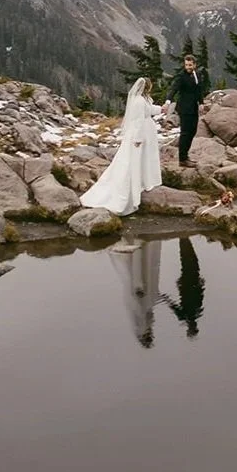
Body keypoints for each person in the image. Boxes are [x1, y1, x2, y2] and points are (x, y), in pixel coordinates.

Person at [80, 77, 162, 216]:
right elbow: (138, 121)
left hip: (144, 134)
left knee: (141, 159)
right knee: (132, 161)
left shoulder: (142, 100)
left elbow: (149, 110)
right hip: (139, 136)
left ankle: (142, 181)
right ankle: (132, 187)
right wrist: (138, 138)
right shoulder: (139, 101)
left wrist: (161, 109)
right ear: (146, 87)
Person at [109, 239, 162, 348]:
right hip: (142, 293)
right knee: (142, 265)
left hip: (142, 293)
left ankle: (140, 246)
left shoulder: (142, 323)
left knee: (143, 266)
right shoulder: (142, 322)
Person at [163, 54, 205, 167]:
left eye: (190, 65)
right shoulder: (181, 76)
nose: (188, 67)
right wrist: (168, 101)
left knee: (193, 132)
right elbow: (174, 89)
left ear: (194, 65)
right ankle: (182, 159)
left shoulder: (198, 75)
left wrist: (201, 103)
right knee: (185, 133)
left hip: (193, 108)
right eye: (186, 65)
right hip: (184, 109)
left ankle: (186, 155)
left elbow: (198, 90)